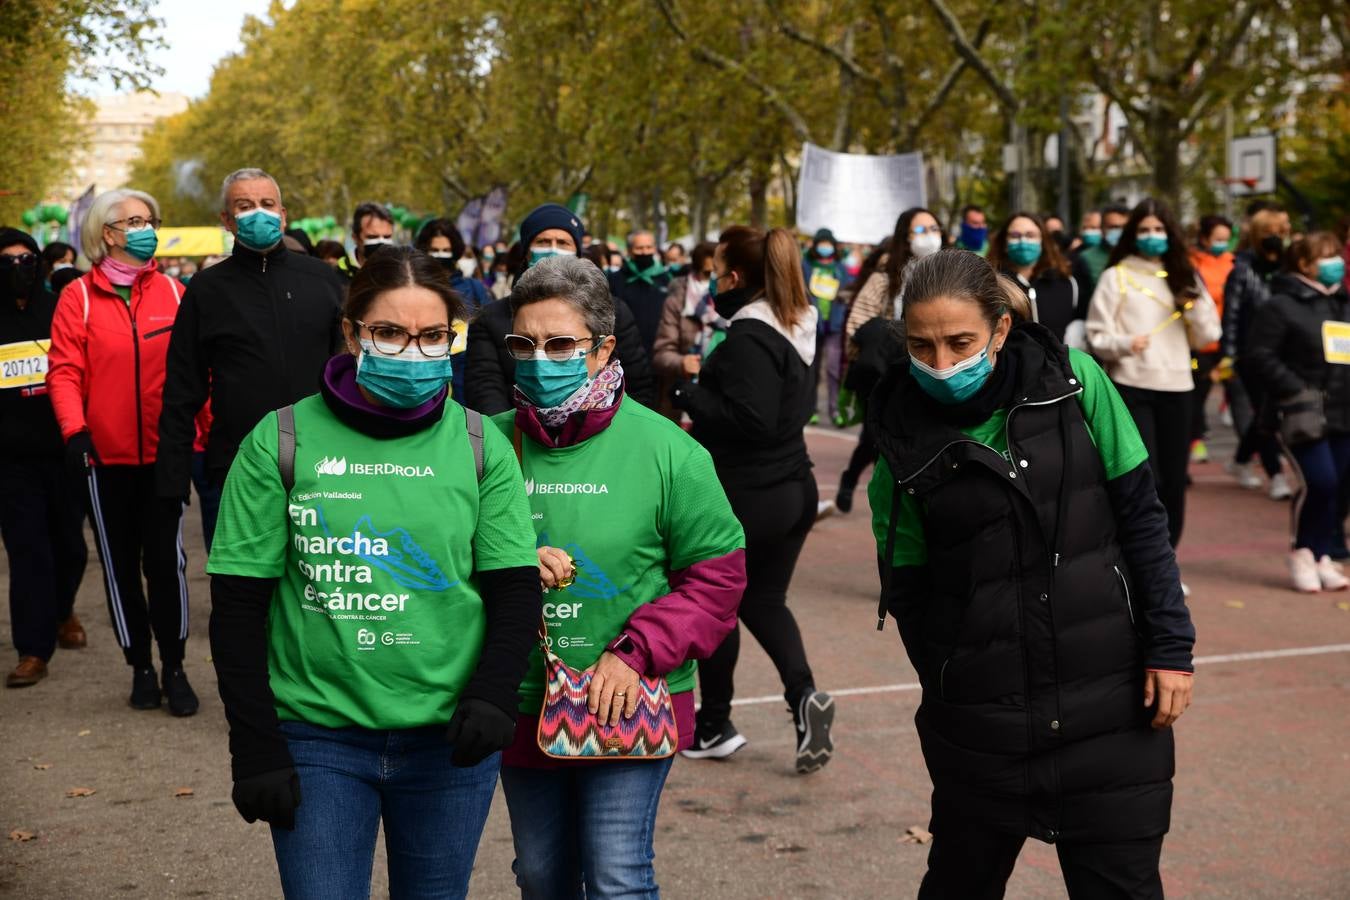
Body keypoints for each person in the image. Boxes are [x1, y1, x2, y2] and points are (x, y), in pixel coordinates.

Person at [207, 246, 541, 900]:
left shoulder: (479, 445)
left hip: (448, 745)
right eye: (389, 333)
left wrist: (495, 692)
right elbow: (238, 607)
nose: (412, 352)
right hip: (317, 739)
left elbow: (513, 585)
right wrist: (255, 746)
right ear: (353, 332)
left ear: (453, 339)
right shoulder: (280, 441)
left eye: (433, 336)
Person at [867, 248, 1195, 898]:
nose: (941, 364)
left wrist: (1170, 646)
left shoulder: (1077, 384)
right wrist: (953, 679)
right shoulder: (897, 445)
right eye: (921, 346)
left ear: (1000, 329)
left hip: (1113, 709)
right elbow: (908, 590)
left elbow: (1142, 518)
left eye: (959, 342)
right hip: (983, 727)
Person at [490, 254, 746, 898]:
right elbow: (439, 559)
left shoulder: (669, 451)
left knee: (615, 875)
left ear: (603, 351)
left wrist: (635, 653)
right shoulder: (483, 445)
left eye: (560, 344)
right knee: (541, 875)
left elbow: (716, 579)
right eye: (524, 343)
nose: (539, 359)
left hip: (628, 698)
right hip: (519, 698)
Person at [671, 224, 834, 771]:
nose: (714, 280)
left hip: (748, 495)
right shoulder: (797, 325)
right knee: (763, 601)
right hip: (793, 491)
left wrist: (689, 392)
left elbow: (752, 420)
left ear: (737, 276)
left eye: (718, 271)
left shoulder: (749, 338)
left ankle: (713, 724)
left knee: (716, 605)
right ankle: (804, 697)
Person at [46, 187, 199, 715]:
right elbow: (64, 371)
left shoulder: (177, 295)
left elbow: (194, 375)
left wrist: (198, 437)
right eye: (133, 220)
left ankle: (175, 666)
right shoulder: (78, 298)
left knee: (166, 562)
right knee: (119, 567)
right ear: (106, 234)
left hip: (165, 455)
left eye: (149, 218)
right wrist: (75, 432)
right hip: (103, 459)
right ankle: (140, 666)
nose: (145, 227)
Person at [156, 168, 346, 552]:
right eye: (244, 206)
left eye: (267, 204)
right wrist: (172, 477)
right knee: (244, 585)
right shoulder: (206, 290)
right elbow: (182, 386)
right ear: (227, 220)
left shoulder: (323, 280)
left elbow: (348, 371)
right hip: (237, 461)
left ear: (283, 214)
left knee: (320, 584)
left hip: (323, 462)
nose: (258, 213)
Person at [1086, 198, 1222, 568]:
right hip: (1132, 386)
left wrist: (1194, 307)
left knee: (1175, 480)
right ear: (1133, 235)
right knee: (1146, 477)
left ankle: (1166, 561)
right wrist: (1124, 344)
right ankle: (1138, 559)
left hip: (1178, 387)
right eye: (1144, 230)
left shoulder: (1184, 275)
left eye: (1159, 229)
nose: (1152, 236)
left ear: (1171, 233)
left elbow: (1209, 335)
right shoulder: (1117, 275)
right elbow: (1096, 335)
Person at [463, 203, 654, 415]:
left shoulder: (614, 310)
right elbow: (484, 386)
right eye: (543, 241)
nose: (553, 249)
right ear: (526, 252)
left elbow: (637, 382)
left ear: (578, 252)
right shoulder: (491, 317)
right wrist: (505, 439)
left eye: (563, 242)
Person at [1, 228, 88, 687]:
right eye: (7, 261)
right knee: (28, 552)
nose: (19, 270)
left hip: (63, 453)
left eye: (27, 260)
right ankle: (33, 650)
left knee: (70, 548)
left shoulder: (59, 312)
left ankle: (62, 610)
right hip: (11, 464)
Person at [1244, 233, 1350, 592]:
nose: (1336, 261)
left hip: (1343, 410)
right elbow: (1259, 355)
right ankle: (1301, 550)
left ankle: (1321, 554)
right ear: (1304, 264)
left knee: (1338, 486)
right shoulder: (1281, 306)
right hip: (1299, 412)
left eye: (1337, 254)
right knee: (1319, 481)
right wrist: (1295, 388)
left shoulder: (1343, 304)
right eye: (1326, 256)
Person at [837, 208, 943, 513]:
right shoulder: (885, 277)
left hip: (928, 372)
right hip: (887, 374)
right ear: (904, 236)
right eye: (920, 230)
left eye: (934, 228)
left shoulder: (947, 274)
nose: (929, 235)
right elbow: (857, 325)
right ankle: (858, 484)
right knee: (875, 438)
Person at [1222, 205, 1294, 499]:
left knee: (1271, 412)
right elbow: (1232, 314)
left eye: (1280, 233)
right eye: (1268, 233)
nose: (1275, 238)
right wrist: (1229, 355)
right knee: (1266, 410)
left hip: (1286, 353)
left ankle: (1240, 460)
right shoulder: (1241, 269)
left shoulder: (1289, 269)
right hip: (1250, 355)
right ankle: (1275, 473)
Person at [415, 218, 489, 401]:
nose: (441, 255)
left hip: (466, 379)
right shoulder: (414, 289)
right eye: (435, 250)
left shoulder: (473, 288)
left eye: (446, 250)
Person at [988, 211, 1086, 342]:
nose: (1023, 241)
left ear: (1042, 242)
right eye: (1015, 235)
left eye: (1030, 235)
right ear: (1004, 243)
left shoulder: (1066, 283)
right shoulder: (991, 285)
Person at [1186, 215, 1236, 465]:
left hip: (1229, 342)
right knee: (1198, 392)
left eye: (1226, 239)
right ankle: (1196, 440)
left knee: (1239, 394)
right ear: (1205, 238)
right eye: (1217, 239)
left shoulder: (1234, 263)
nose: (1222, 244)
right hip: (1201, 346)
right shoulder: (1191, 263)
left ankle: (1250, 450)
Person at [651, 241, 717, 420]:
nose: (713, 280)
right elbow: (661, 354)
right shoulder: (677, 302)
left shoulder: (732, 305)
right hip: (681, 400)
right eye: (707, 273)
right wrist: (681, 363)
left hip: (719, 401)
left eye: (718, 273)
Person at [802, 228, 849, 424]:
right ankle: (811, 409)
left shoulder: (840, 268)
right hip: (813, 326)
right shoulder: (805, 265)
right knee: (812, 369)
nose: (825, 247)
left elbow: (848, 289)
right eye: (821, 244)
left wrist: (843, 296)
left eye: (828, 244)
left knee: (832, 369)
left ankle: (834, 410)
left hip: (835, 327)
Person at [607, 230, 672, 352]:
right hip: (626, 349)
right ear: (630, 251)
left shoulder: (666, 278)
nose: (645, 252)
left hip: (659, 348)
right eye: (639, 248)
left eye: (649, 247)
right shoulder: (615, 279)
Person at [335, 201, 396, 280]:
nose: (381, 241)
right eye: (372, 237)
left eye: (387, 237)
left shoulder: (400, 272)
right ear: (355, 238)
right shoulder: (338, 275)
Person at [1075, 203, 1131, 289]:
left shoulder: (1138, 256)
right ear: (1102, 228)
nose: (1120, 231)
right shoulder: (1085, 259)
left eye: (1124, 227)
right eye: (1113, 227)